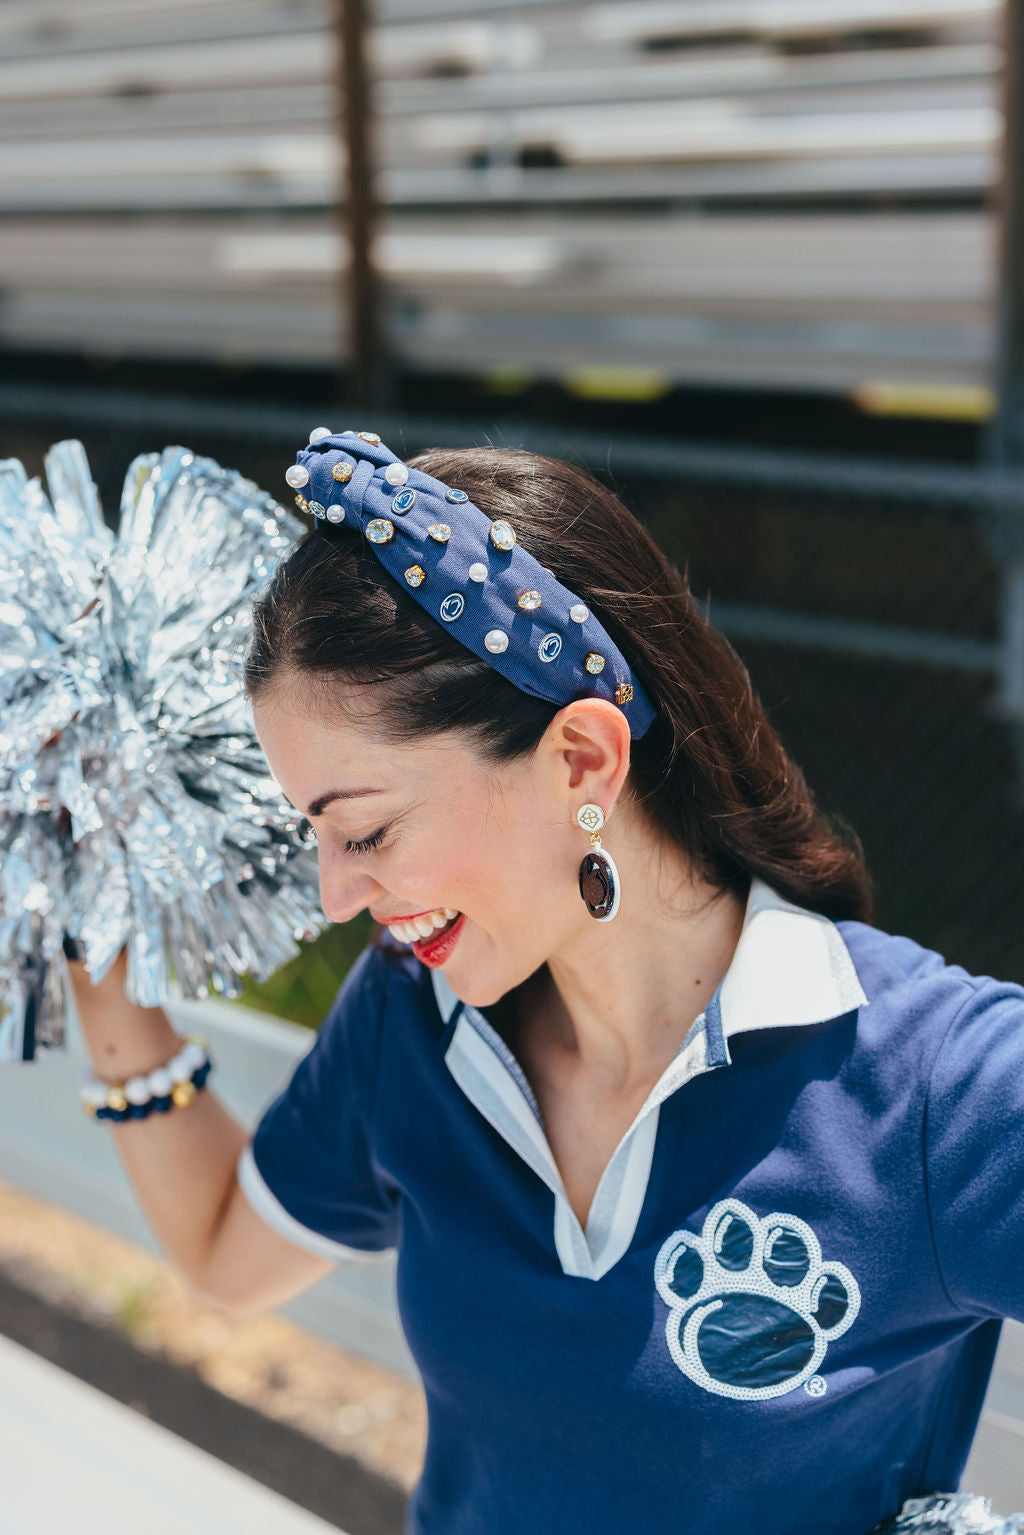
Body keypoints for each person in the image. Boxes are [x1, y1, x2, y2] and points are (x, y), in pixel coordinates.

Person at [68, 430, 1024, 1535]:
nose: (336, 895)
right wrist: (100, 952)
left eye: (367, 827)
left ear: (581, 760)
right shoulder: (411, 1020)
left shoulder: (939, 1087)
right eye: (318, 836)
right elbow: (232, 1252)